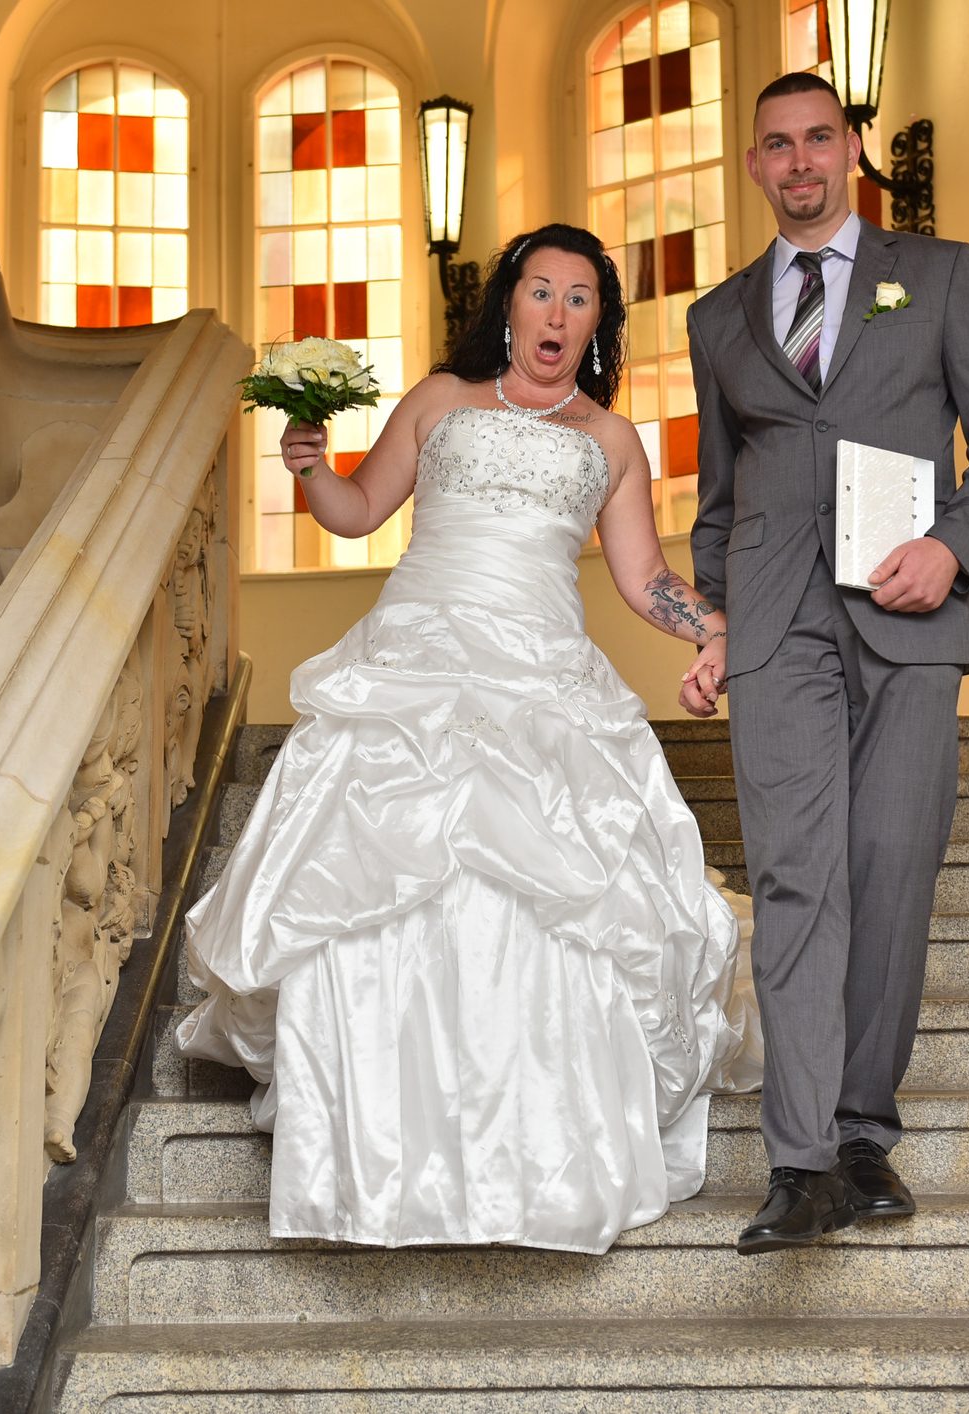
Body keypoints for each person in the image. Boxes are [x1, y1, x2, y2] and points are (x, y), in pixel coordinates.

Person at [177, 222, 761, 1255]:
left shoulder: (613, 440)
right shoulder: (441, 400)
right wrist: (309, 467)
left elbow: (643, 581)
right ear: (510, 303)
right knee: (379, 879)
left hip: (544, 672)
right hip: (417, 657)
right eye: (542, 291)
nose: (557, 313)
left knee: (550, 898)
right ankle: (379, 1163)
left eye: (581, 300)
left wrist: (711, 627)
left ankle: (533, 1165)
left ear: (598, 326)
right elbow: (356, 511)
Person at [681, 71, 969, 1255]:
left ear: (850, 150)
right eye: (775, 146)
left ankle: (860, 1129)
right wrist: (718, 625)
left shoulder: (937, 275)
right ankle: (799, 1166)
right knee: (795, 874)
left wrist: (955, 546)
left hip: (910, 611)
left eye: (818, 140)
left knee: (892, 865)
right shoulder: (719, 316)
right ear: (753, 165)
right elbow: (721, 500)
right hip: (779, 625)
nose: (798, 164)